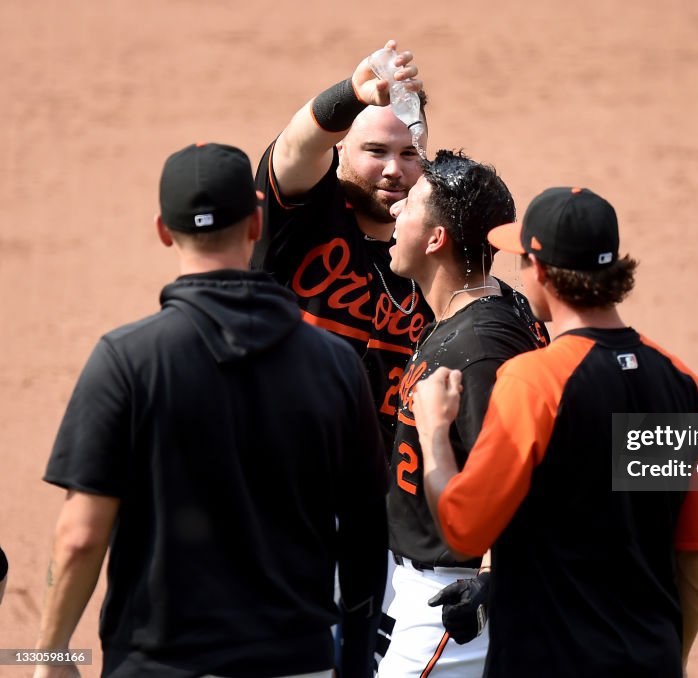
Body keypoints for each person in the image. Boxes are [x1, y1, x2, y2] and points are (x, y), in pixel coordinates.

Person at [35, 143, 388, 678]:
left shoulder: (126, 359)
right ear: (255, 223)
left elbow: (80, 536)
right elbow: (365, 531)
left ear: (162, 229)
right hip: (296, 661)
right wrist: (357, 659)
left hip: (160, 663)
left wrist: (52, 655)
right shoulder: (335, 364)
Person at [413, 187, 698, 677]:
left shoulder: (535, 381)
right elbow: (697, 555)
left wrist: (433, 434)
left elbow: (463, 523)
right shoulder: (681, 383)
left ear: (541, 271)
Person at [377, 150, 547, 677]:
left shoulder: (479, 348)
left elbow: (518, 466)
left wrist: (490, 576)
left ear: (435, 240)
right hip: (422, 581)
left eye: (409, 206)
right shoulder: (482, 308)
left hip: (452, 597)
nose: (396, 211)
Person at [251, 40, 433, 449]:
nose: (394, 170)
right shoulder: (302, 218)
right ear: (338, 151)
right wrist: (351, 94)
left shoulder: (433, 265)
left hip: (371, 501)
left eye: (409, 154)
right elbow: (298, 145)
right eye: (376, 151)